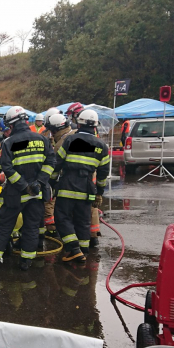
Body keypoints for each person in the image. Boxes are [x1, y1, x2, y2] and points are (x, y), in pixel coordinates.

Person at [0, 106, 55, 271]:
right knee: (32, 227)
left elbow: (7, 169)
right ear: (26, 121)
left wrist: (23, 186)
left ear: (11, 125)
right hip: (36, 194)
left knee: (4, 226)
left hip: (15, 194)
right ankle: (26, 262)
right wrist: (39, 183)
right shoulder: (42, 139)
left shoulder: (9, 143)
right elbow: (51, 162)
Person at [52, 109, 110, 263]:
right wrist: (99, 193)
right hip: (87, 188)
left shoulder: (70, 140)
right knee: (83, 221)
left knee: (61, 217)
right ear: (95, 125)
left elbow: (57, 164)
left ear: (79, 123)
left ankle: (74, 249)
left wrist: (51, 183)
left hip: (67, 185)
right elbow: (103, 174)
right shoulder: (102, 146)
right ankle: (83, 251)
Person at [42, 114, 73, 235]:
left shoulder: (61, 143)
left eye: (52, 130)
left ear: (56, 129)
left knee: (55, 206)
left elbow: (55, 166)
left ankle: (53, 230)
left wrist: (50, 184)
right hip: (88, 182)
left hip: (67, 182)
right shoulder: (74, 134)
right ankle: (90, 239)